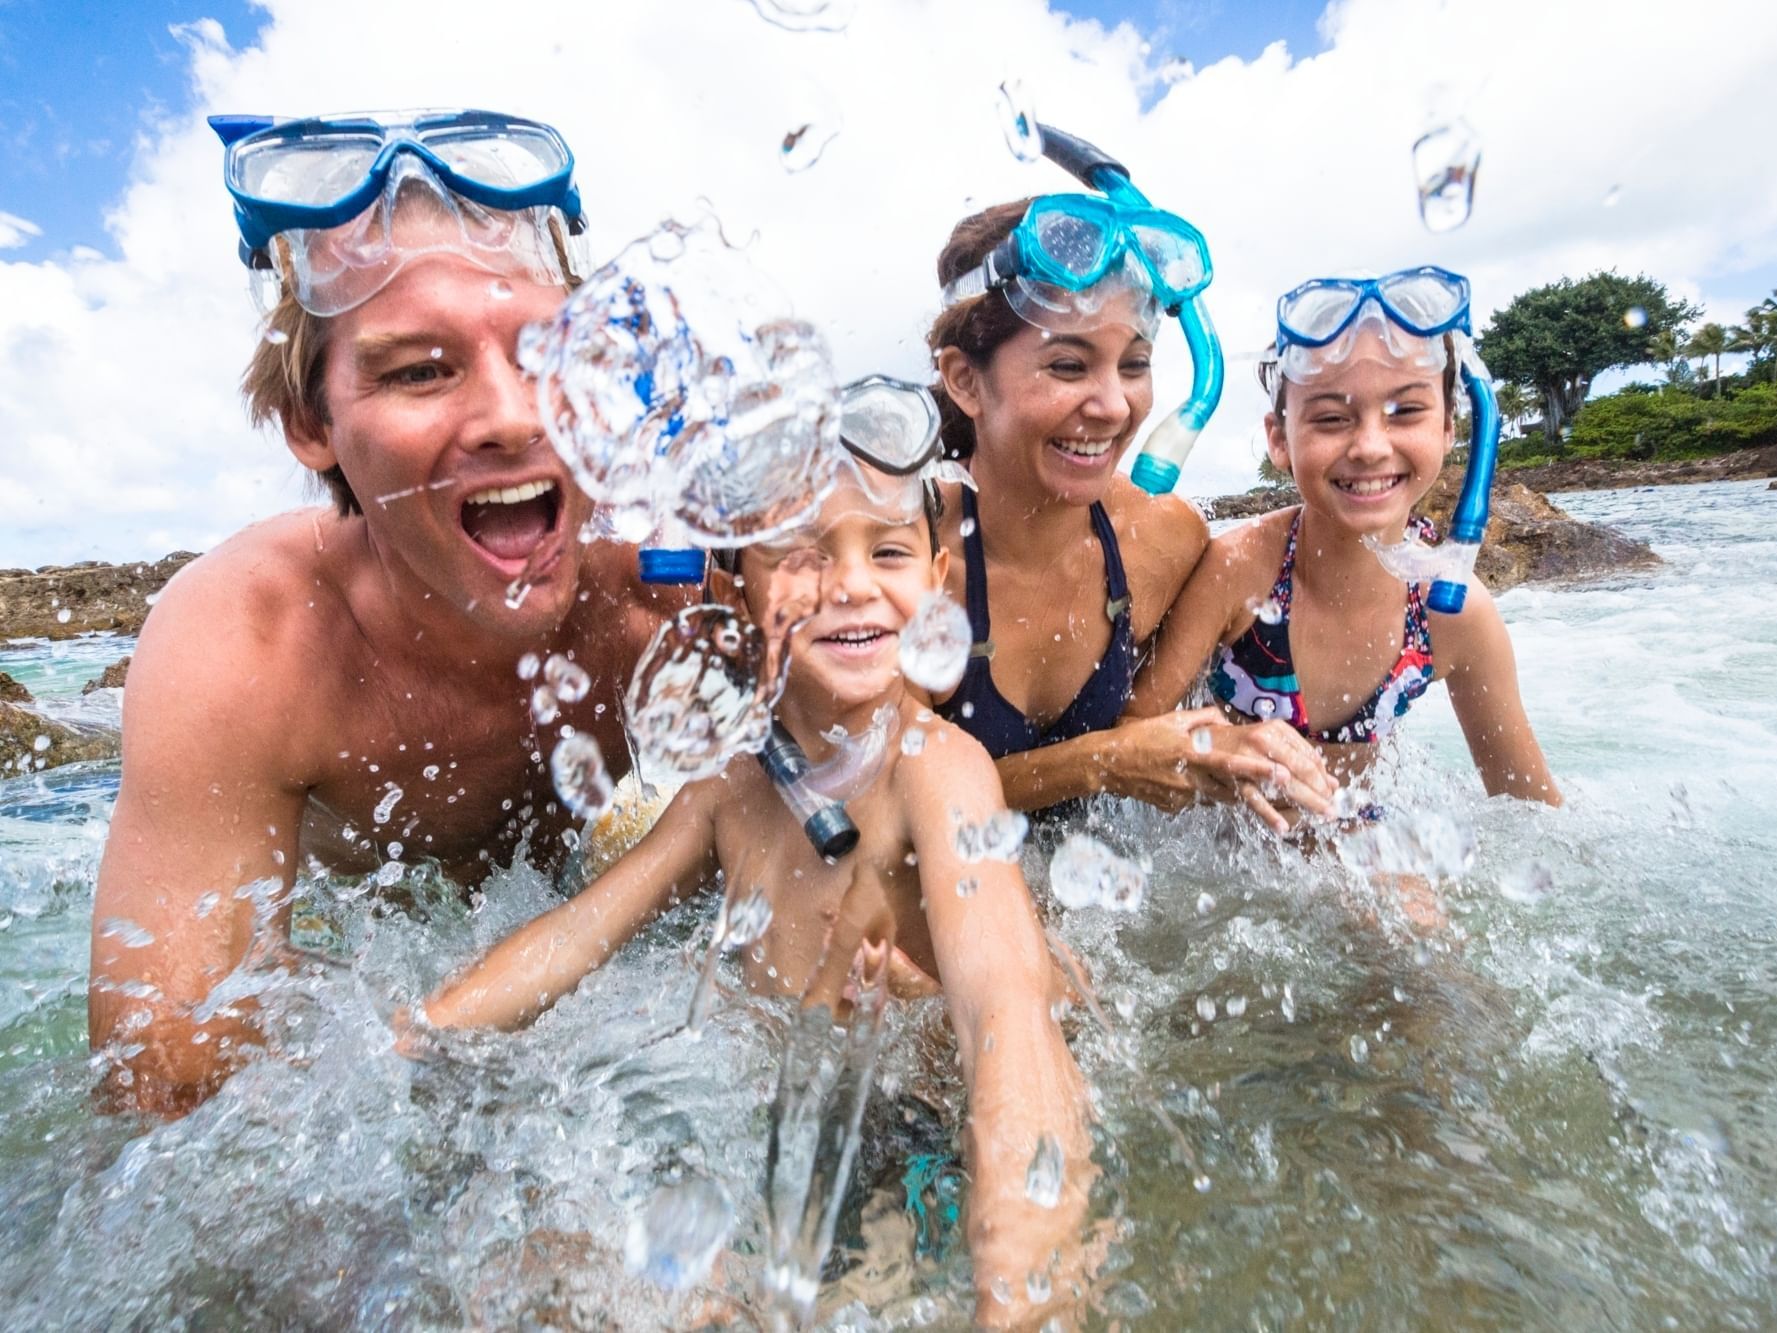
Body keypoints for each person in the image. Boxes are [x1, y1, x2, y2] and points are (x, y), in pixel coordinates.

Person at [420, 384, 1095, 1327]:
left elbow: (1007, 1017)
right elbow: (579, 933)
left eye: (887, 551)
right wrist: (427, 1031)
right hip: (783, 1116)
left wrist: (1020, 1291)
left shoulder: (935, 770)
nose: (851, 583)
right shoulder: (731, 785)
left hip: (925, 1128)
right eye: (804, 556)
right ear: (736, 589)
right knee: (553, 1270)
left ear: (937, 582)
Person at [88, 110, 685, 1115]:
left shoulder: (670, 591)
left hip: (580, 924)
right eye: (419, 370)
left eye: (547, 354)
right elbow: (167, 1092)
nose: (509, 415)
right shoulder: (250, 645)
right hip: (370, 977)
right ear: (312, 424)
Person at [926, 196, 1336, 828]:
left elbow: (1199, 725)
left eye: (1135, 365)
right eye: (1068, 366)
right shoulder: (907, 558)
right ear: (965, 381)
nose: (1116, 407)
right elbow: (885, 804)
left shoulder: (1161, 539)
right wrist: (1105, 760)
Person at [1128, 267, 1561, 807]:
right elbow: (1128, 740)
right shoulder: (1239, 569)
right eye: (1332, 418)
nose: (1370, 446)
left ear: (1449, 427)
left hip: (1355, 840)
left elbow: (1532, 812)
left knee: (1397, 878)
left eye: (1405, 411)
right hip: (1222, 848)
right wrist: (1220, 744)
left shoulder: (1454, 612)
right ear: (1279, 440)